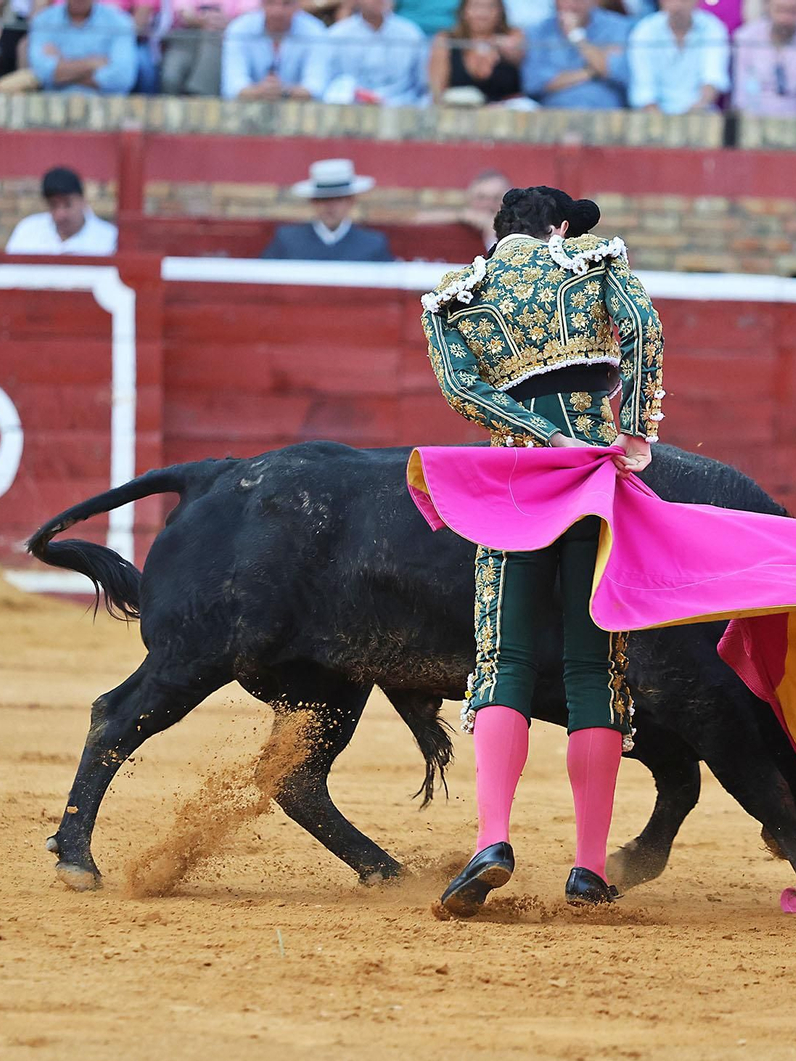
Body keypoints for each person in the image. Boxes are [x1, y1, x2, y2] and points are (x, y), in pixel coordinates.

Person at [420, 186, 664, 917]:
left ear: (498, 233)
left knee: (504, 661)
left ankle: (492, 841)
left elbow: (461, 386)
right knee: (594, 667)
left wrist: (536, 434)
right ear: (558, 227)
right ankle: (588, 867)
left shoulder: (457, 296)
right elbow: (642, 326)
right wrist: (634, 428)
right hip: (595, 479)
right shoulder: (589, 261)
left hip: (516, 485)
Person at [261, 159, 394, 262]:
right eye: (324, 199)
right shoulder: (288, 240)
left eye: (338, 199)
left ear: (351, 201)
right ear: (313, 201)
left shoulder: (372, 244)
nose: (330, 206)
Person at [731, 0, 796, 117]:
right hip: (755, 119)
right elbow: (741, 96)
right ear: (767, 7)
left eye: (792, 11)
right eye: (780, 10)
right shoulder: (746, 36)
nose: (785, 18)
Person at [521, 0, 632, 109]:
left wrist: (577, 36)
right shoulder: (539, 31)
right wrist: (591, 70)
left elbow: (612, 71)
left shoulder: (617, 26)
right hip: (557, 111)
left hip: (607, 111)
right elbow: (535, 84)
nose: (571, 4)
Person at [627, 0, 732, 113]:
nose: (676, 6)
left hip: (701, 113)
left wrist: (697, 109)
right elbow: (644, 90)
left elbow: (713, 79)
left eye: (683, 1)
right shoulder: (644, 31)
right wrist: (659, 120)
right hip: (653, 114)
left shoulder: (713, 28)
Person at [322, 0, 431, 104]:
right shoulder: (337, 34)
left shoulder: (411, 33)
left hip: (402, 108)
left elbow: (423, 86)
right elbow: (326, 83)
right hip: (350, 109)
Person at [220, 0, 330, 100]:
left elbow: (316, 88)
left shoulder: (315, 30)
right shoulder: (239, 28)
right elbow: (232, 87)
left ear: (298, 5)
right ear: (261, 4)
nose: (278, 11)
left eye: (286, 3)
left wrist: (283, 92)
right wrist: (260, 92)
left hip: (299, 110)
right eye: (271, 2)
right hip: (246, 110)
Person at [26, 0, 139, 94]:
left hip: (107, 108)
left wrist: (61, 64)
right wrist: (93, 64)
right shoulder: (43, 20)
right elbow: (40, 72)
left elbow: (122, 78)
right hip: (51, 107)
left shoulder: (120, 22)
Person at [428, 0, 527, 104]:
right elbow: (437, 92)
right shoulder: (447, 40)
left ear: (501, 11)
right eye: (475, 6)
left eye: (490, 7)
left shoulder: (513, 36)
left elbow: (519, 59)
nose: (482, 13)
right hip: (458, 110)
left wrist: (503, 47)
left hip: (508, 110)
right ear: (463, 10)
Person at [4, 166, 119, 254]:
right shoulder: (28, 231)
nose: (60, 214)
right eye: (53, 205)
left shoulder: (109, 238)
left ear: (82, 200)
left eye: (67, 204)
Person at [162, 0, 255, 95]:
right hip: (185, 37)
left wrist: (228, 23)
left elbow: (249, 15)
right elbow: (183, 11)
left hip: (224, 38)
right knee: (171, 78)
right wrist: (199, 20)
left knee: (212, 44)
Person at [415, 169, 512, 248]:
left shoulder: (517, 230)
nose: (488, 204)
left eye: (496, 198)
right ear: (470, 199)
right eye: (481, 197)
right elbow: (418, 220)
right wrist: (461, 216)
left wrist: (493, 228)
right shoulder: (462, 217)